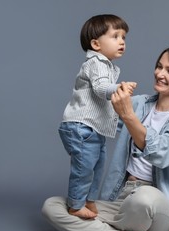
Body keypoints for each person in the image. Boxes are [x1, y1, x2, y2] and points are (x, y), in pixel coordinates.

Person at [43, 45, 169, 231]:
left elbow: (161, 153)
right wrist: (90, 82)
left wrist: (129, 116)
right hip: (121, 200)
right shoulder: (139, 104)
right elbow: (99, 118)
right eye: (159, 67)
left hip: (158, 206)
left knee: (144, 198)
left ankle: (107, 230)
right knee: (53, 206)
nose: (160, 74)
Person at [59, 14, 136, 219]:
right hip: (81, 127)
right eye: (115, 36)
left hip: (93, 129)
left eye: (124, 37)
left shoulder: (107, 65)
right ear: (96, 44)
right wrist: (119, 88)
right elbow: (101, 88)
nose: (121, 42)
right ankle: (76, 205)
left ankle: (89, 201)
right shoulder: (96, 63)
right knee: (84, 168)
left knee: (97, 167)